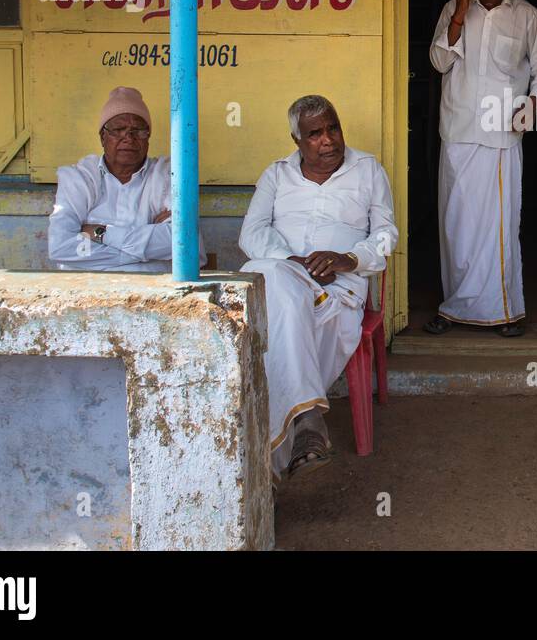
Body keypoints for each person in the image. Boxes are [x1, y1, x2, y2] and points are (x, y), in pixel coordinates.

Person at [238, 95, 398, 481]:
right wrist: (294, 263)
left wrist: (351, 259)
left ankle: (264, 462)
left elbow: (386, 232)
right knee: (277, 281)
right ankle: (306, 422)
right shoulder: (276, 174)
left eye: (333, 128)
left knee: (277, 322)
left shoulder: (368, 170)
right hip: (283, 274)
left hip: (337, 288)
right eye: (314, 134)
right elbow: (252, 232)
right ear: (297, 141)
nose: (328, 140)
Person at [425, 0, 537, 337]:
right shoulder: (453, 10)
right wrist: (461, 14)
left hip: (501, 133)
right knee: (456, 223)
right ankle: (454, 307)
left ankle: (504, 311)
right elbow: (438, 62)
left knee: (499, 225)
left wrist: (533, 105)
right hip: (458, 131)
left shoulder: (527, 15)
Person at [48, 86, 204, 272]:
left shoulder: (168, 174)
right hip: (87, 292)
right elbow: (60, 247)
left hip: (151, 294)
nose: (128, 138)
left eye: (138, 131)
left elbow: (186, 243)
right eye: (119, 130)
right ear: (102, 137)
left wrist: (100, 233)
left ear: (148, 138)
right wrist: (143, 253)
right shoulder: (80, 178)